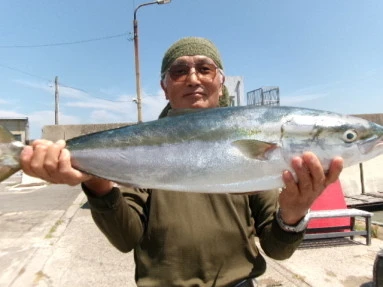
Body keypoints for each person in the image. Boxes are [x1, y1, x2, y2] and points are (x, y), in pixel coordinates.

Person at [20, 37, 343, 287]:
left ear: (220, 81)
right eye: (179, 70)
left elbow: (277, 250)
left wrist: (294, 212)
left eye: (204, 68)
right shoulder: (142, 151)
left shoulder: (262, 155)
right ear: (164, 86)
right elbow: (125, 239)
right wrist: (95, 179)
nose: (192, 78)